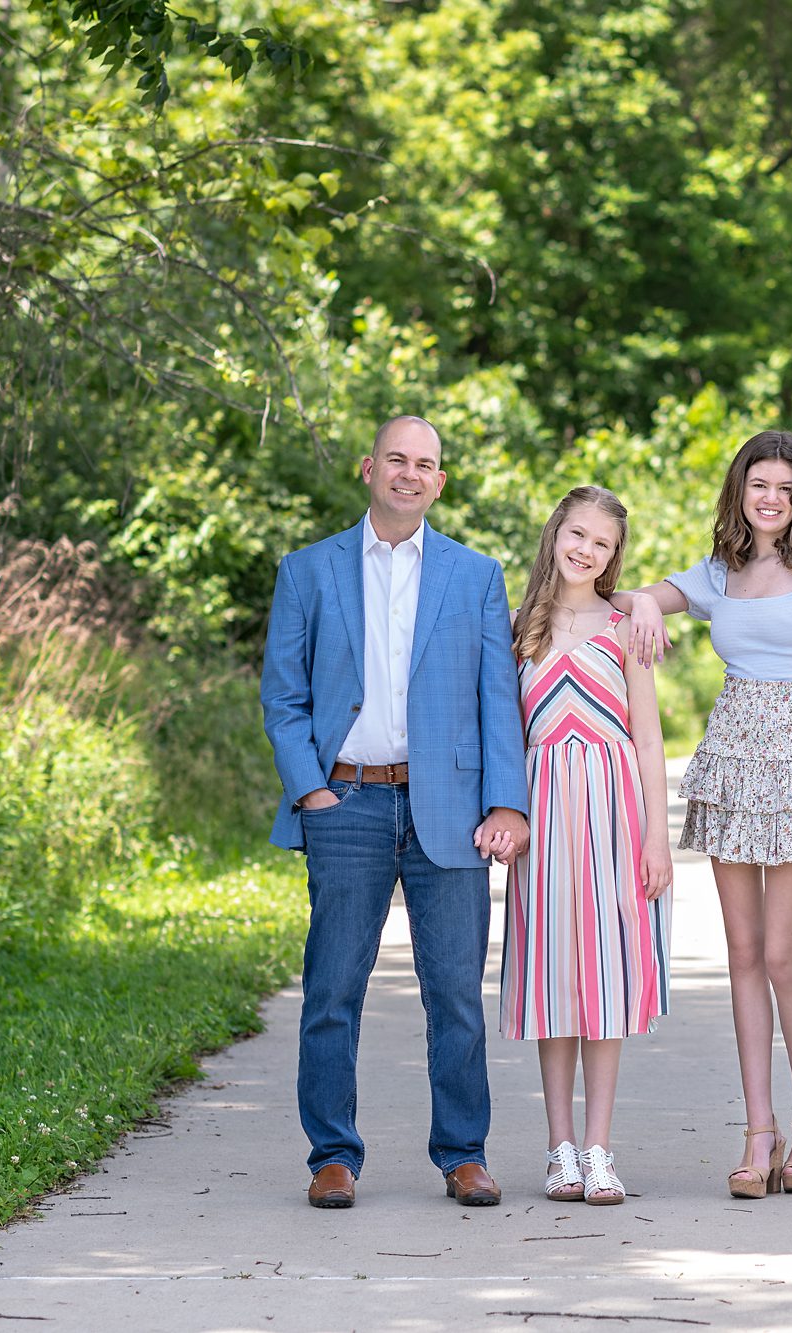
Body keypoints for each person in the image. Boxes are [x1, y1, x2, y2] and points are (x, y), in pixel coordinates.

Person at [260, 415, 530, 1211]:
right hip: (344, 801)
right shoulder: (308, 570)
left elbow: (496, 699)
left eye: (427, 464)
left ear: (440, 481)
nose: (410, 474)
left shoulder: (475, 575)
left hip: (446, 805)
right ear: (369, 467)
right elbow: (284, 696)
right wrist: (312, 788)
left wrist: (507, 802)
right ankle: (333, 1156)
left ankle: (464, 1152)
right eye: (397, 460)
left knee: (453, 991)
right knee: (332, 987)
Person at [619, 429, 792, 1198]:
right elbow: (640, 594)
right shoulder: (720, 570)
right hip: (730, 758)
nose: (772, 498)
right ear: (740, 488)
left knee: (786, 953)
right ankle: (760, 1130)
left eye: (786, 487)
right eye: (760, 483)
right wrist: (646, 609)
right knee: (743, 952)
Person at [501, 487, 674, 1207]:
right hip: (544, 818)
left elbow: (649, 737)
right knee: (555, 979)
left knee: (605, 981)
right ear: (556, 533)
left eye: (601, 543)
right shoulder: (518, 626)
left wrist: (659, 835)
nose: (586, 550)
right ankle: (559, 1148)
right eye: (577, 534)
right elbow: (505, 732)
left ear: (613, 557)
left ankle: (601, 1148)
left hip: (613, 812)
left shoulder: (624, 625)